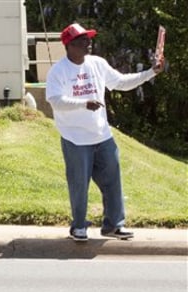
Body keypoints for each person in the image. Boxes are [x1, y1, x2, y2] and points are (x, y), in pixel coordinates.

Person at [46, 23, 164, 242]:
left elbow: (121, 82)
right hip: (75, 138)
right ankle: (78, 227)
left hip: (102, 135)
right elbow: (55, 100)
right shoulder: (59, 71)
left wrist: (150, 73)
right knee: (79, 184)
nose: (88, 43)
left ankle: (113, 225)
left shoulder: (97, 64)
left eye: (88, 39)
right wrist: (83, 103)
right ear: (69, 45)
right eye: (82, 40)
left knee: (112, 180)